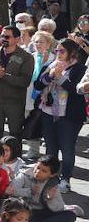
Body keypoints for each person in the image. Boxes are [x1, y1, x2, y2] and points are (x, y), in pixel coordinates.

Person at [34, 39, 86, 183]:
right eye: (56, 50)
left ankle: (66, 179)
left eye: (62, 51)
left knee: (67, 148)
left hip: (69, 115)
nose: (58, 53)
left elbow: (77, 90)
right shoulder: (49, 65)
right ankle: (51, 177)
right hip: (48, 112)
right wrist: (50, 76)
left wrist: (59, 77)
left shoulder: (80, 69)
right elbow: (38, 85)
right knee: (51, 147)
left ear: (72, 52)